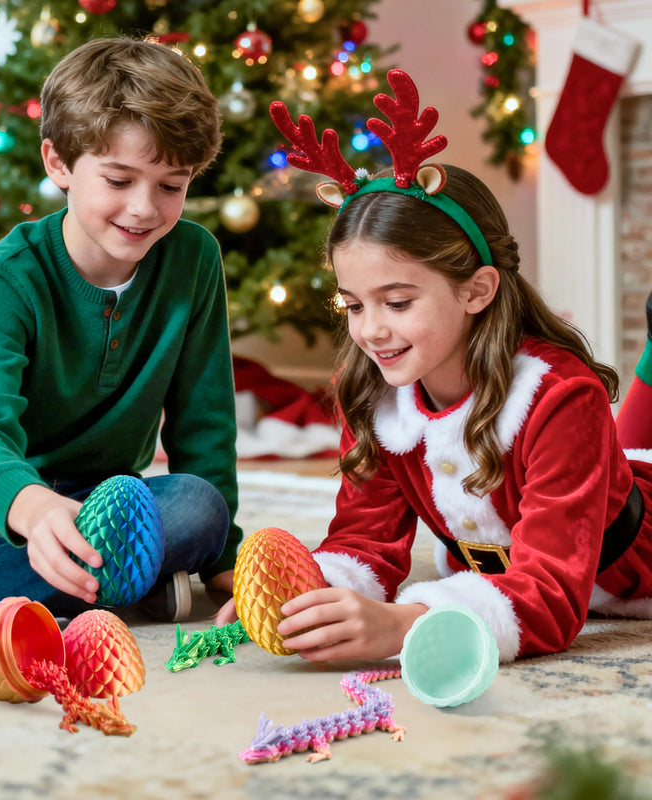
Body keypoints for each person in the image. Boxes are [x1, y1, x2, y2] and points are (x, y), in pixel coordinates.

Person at [217, 69, 652, 663]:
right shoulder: (373, 396)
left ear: (477, 291)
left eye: (397, 302)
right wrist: (311, 592)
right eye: (353, 304)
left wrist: (402, 626)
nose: (370, 329)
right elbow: (365, 539)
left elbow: (550, 596)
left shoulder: (558, 397)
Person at [0, 36, 241, 633]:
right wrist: (31, 508)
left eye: (171, 185)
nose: (144, 208)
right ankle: (116, 578)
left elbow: (204, 424)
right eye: (118, 180)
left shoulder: (195, 259)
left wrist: (221, 562)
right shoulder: (4, 276)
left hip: (102, 502)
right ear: (59, 163)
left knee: (194, 509)